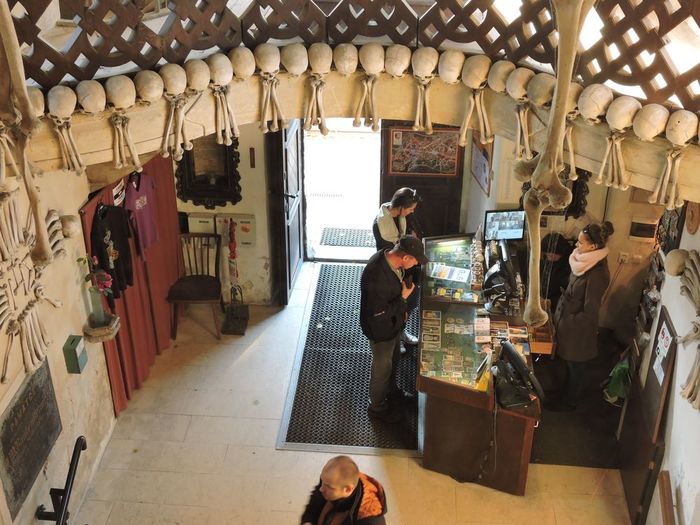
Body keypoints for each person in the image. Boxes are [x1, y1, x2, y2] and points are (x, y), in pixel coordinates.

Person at [360, 236, 428, 423]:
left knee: (394, 358)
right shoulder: (376, 275)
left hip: (394, 325)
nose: (416, 264)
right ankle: (377, 407)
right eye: (415, 260)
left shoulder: (390, 259)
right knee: (382, 367)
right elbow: (378, 314)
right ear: (405, 257)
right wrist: (403, 298)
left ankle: (392, 391)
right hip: (381, 330)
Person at [551, 221, 614, 411]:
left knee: (575, 367)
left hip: (577, 330)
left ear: (593, 246)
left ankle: (570, 402)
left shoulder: (597, 274)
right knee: (567, 364)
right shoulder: (581, 261)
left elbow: (590, 311)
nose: (577, 246)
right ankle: (562, 394)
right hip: (567, 322)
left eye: (581, 243)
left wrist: (569, 322)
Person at [372, 187, 422, 346]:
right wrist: (408, 244)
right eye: (410, 209)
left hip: (405, 267)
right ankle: (394, 338)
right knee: (394, 305)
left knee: (410, 301)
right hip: (391, 271)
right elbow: (391, 252)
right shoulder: (381, 225)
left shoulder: (403, 216)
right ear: (401, 207)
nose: (412, 212)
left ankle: (401, 331)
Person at [301, 455, 387, 525]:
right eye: (322, 481)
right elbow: (314, 505)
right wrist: (308, 521)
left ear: (348, 489)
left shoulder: (370, 519)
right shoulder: (330, 481)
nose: (321, 489)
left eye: (329, 487)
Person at [540, 232, 573, 313]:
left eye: (552, 255)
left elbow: (568, 295)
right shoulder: (545, 259)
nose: (549, 256)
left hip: (558, 307)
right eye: (547, 253)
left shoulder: (569, 266)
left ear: (561, 253)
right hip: (543, 301)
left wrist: (550, 302)